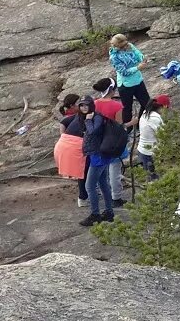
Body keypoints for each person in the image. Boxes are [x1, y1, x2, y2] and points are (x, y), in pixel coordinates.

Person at [79, 97, 125, 226]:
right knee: (103, 183)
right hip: (97, 155)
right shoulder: (90, 117)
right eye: (81, 105)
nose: (83, 108)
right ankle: (109, 212)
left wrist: (88, 120)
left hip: (98, 156)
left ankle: (95, 214)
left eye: (85, 105)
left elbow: (93, 131)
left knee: (89, 186)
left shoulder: (96, 117)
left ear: (91, 106)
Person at [107, 33, 151, 123]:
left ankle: (140, 122)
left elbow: (137, 53)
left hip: (138, 80)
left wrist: (143, 58)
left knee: (147, 104)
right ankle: (128, 127)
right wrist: (137, 67)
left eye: (126, 45)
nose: (125, 47)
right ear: (117, 46)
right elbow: (124, 72)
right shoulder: (114, 57)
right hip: (126, 85)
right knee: (127, 108)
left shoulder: (129, 46)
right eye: (123, 46)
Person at [53, 94, 88, 207]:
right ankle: (84, 196)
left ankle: (85, 194)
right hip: (74, 147)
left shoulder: (74, 116)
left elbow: (63, 124)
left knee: (82, 172)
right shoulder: (81, 117)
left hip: (66, 146)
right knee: (83, 171)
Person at [133, 94, 170, 177]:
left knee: (149, 177)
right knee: (155, 178)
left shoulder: (145, 113)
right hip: (150, 153)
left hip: (142, 150)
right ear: (163, 106)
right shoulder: (155, 118)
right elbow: (163, 135)